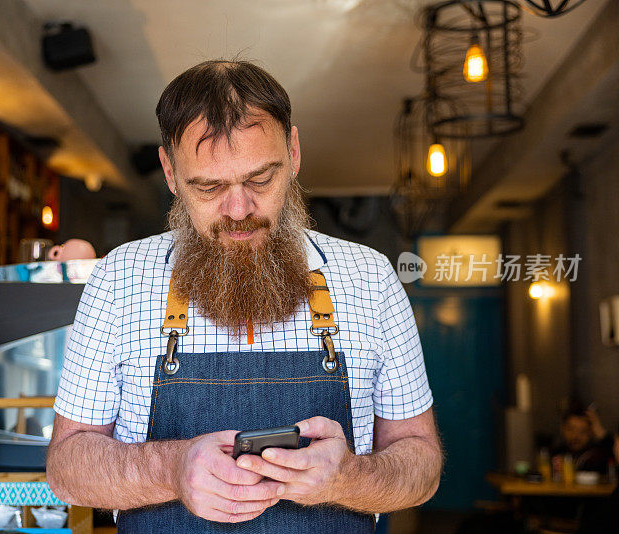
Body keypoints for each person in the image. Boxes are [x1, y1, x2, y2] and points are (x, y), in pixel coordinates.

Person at [46, 59, 442, 533]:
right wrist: (170, 469)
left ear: (293, 153)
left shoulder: (371, 280)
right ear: (170, 173)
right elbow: (67, 466)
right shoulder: (118, 281)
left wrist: (347, 478)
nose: (239, 210)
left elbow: (421, 464)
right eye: (209, 186)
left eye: (260, 179)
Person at [551, 407, 613, 474]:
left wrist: (600, 432)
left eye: (583, 431)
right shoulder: (557, 452)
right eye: (571, 429)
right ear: (562, 429)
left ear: (591, 432)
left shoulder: (597, 456)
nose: (575, 436)